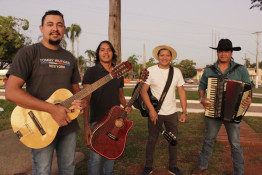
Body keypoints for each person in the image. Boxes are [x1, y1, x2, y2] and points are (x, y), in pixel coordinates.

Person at [5, 10, 86, 174]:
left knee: (68, 169)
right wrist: (52, 109)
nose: (55, 28)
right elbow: (11, 92)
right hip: (39, 125)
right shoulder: (28, 53)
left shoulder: (69, 57)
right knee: (42, 170)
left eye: (59, 25)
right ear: (42, 28)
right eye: (50, 24)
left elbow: (76, 91)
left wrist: (82, 102)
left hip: (68, 126)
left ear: (64, 29)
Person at [192, 39, 252, 175]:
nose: (223, 54)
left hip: (234, 113)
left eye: (226, 51)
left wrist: (248, 100)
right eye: (220, 51)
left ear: (231, 53)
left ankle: (239, 171)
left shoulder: (241, 69)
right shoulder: (209, 70)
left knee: (235, 144)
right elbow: (202, 87)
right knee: (209, 139)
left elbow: (248, 90)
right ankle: (202, 165)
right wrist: (202, 98)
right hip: (213, 111)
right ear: (217, 53)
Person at [82, 40, 132, 175]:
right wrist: (86, 125)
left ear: (112, 53)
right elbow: (86, 99)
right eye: (102, 49)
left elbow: (120, 96)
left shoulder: (118, 72)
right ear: (98, 53)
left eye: (109, 49)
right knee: (95, 158)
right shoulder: (91, 72)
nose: (106, 52)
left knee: (110, 156)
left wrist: (126, 106)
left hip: (114, 122)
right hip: (96, 120)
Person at [140, 45, 187, 175]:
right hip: (156, 112)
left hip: (172, 113)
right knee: (152, 140)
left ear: (171, 58)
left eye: (167, 55)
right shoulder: (151, 70)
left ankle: (173, 167)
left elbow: (181, 91)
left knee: (173, 140)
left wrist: (184, 111)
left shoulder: (176, 72)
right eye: (162, 55)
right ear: (158, 57)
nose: (164, 58)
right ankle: (148, 166)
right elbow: (143, 92)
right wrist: (151, 110)